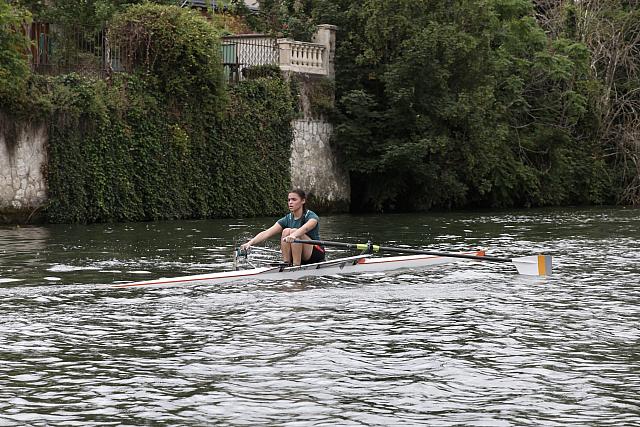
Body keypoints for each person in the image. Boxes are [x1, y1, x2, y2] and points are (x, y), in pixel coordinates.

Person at [240, 189, 325, 266]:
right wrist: (250, 243)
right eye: (289, 200)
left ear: (303, 201)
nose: (290, 202)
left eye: (294, 200)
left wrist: (293, 235)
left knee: (293, 231)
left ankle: (296, 265)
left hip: (315, 254)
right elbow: (267, 233)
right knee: (286, 231)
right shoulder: (288, 218)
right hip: (299, 252)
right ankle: (286, 263)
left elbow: (305, 228)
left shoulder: (311, 216)